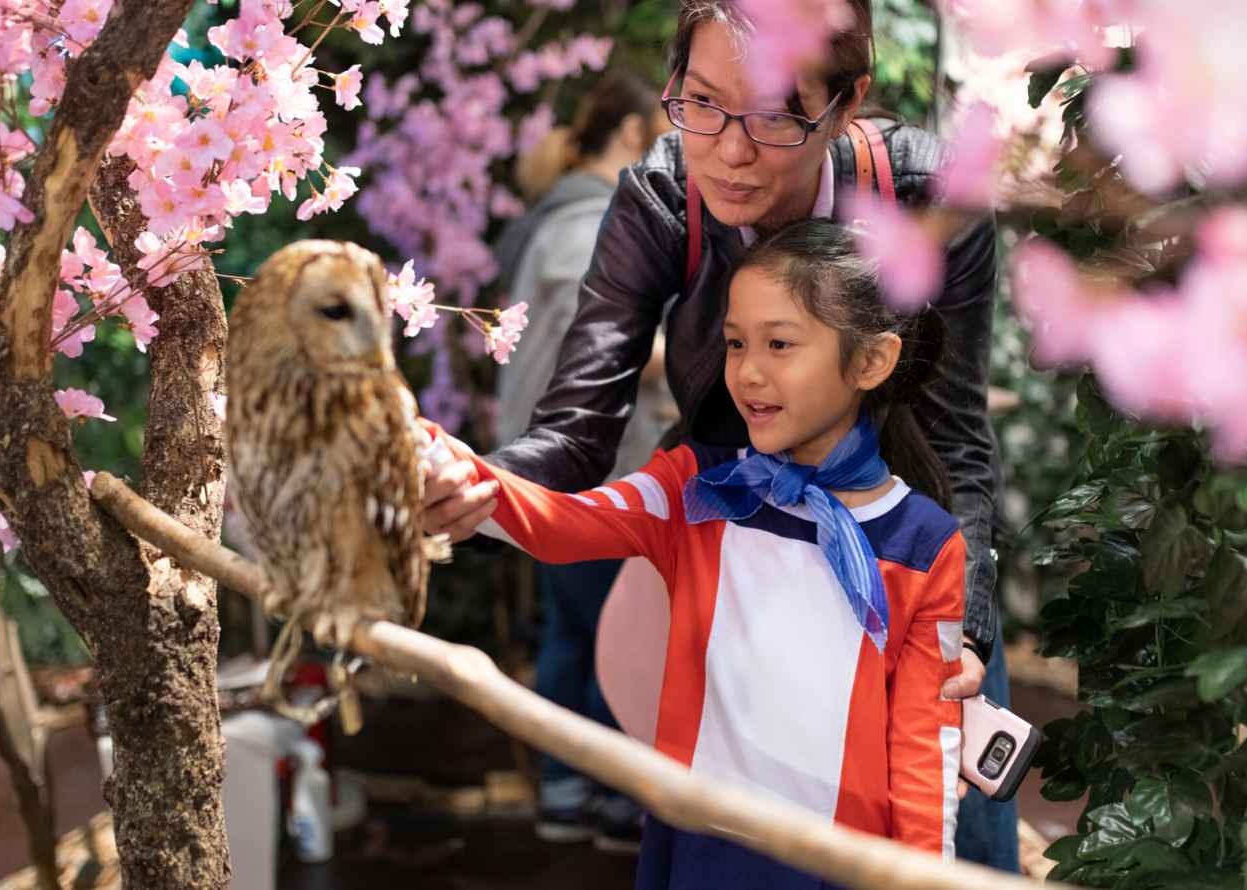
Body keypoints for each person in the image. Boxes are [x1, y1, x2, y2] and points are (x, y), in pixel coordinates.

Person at [425, 0, 1016, 870]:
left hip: (905, 572)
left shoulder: (929, 199)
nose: (729, 152)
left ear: (846, 103)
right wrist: (463, 483)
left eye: (777, 117)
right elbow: (575, 437)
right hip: (743, 549)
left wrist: (960, 629)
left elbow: (956, 440)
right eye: (700, 103)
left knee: (951, 844)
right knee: (727, 831)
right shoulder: (664, 195)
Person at [424, 220, 964, 887]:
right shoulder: (697, 489)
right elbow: (562, 522)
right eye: (736, 344)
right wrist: (436, 462)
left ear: (871, 362)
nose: (749, 372)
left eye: (780, 344)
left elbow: (922, 748)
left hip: (842, 868)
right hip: (700, 850)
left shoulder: (926, 542)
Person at [493, 72, 676, 852]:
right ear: (634, 136)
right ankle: (601, 800)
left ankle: (569, 797)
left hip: (554, 468)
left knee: (575, 631)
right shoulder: (588, 220)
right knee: (610, 633)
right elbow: (596, 346)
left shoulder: (554, 215)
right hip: (589, 470)